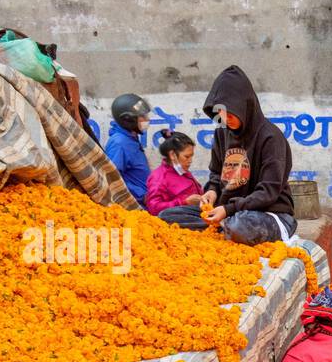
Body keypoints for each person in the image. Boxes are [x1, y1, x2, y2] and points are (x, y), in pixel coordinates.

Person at [160, 67, 296, 245]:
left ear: (245, 107)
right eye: (220, 114)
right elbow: (216, 174)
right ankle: (224, 228)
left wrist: (229, 209)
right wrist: (211, 191)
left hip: (268, 215)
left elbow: (268, 192)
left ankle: (226, 228)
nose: (225, 119)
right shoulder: (221, 133)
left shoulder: (271, 138)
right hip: (226, 213)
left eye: (230, 114)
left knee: (240, 226)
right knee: (166, 216)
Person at [104, 94, 152, 206]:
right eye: (143, 117)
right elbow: (113, 179)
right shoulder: (119, 143)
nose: (147, 119)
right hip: (135, 206)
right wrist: (141, 195)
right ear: (128, 119)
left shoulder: (131, 138)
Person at [144, 130, 202, 216]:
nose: (190, 161)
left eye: (191, 156)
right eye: (187, 157)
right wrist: (184, 202)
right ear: (172, 155)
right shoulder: (159, 178)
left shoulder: (182, 171)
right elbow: (154, 208)